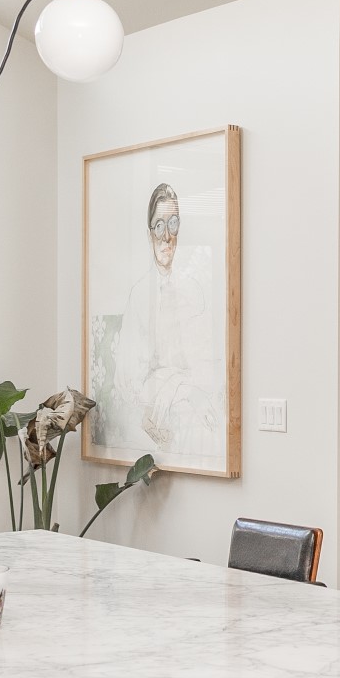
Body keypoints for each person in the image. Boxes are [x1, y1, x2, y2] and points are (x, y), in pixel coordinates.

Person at [91, 179, 222, 465]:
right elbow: (132, 381)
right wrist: (180, 385)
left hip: (190, 410)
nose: (166, 237)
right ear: (149, 233)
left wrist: (183, 386)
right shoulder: (140, 296)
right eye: (159, 226)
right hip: (148, 421)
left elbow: (205, 367)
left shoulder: (194, 291)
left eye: (173, 224)